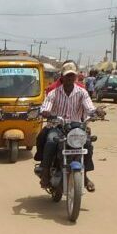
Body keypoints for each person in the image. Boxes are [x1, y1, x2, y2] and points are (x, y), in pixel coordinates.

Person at [37, 62, 100, 192]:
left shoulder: (82, 92)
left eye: (73, 76)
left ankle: (85, 176)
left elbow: (89, 108)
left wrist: (95, 112)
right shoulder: (53, 93)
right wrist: (46, 112)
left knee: (87, 144)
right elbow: (46, 106)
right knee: (50, 141)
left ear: (76, 77)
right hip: (57, 126)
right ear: (62, 77)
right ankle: (45, 173)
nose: (70, 78)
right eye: (68, 76)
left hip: (75, 127)